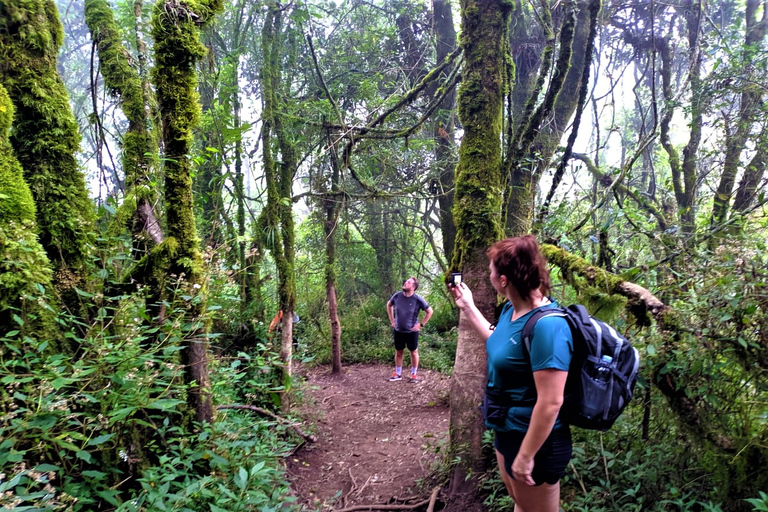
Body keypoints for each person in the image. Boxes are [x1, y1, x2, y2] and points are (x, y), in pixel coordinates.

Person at [448, 235, 573, 512]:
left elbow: (552, 401)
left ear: (503, 280)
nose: (489, 274)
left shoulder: (548, 327)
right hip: (507, 430)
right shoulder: (510, 311)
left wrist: (527, 455)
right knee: (521, 505)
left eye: (491, 269)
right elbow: (497, 341)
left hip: (538, 443)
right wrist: (468, 306)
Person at [387, 277, 433, 383]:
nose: (405, 283)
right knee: (399, 352)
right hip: (398, 330)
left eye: (408, 282)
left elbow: (430, 311)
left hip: (412, 332)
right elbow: (389, 304)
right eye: (406, 281)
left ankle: (413, 375)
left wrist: (421, 324)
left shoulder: (417, 299)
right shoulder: (397, 296)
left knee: (413, 352)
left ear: (413, 287)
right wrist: (392, 320)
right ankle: (398, 374)